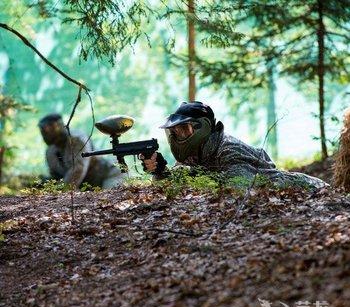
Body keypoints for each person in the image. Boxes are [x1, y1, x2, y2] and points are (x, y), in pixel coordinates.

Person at [141, 101, 327, 189]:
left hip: (311, 190)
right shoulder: (195, 154)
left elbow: (236, 190)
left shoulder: (229, 150)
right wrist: (160, 172)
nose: (179, 136)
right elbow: (174, 185)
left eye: (184, 129)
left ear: (203, 128)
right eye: (175, 132)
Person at [38, 113, 126, 189]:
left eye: (51, 129)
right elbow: (55, 176)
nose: (47, 134)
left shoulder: (77, 140)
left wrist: (62, 191)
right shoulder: (50, 152)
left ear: (61, 126)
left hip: (110, 175)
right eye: (44, 131)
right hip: (88, 185)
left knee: (109, 200)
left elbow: (78, 169)